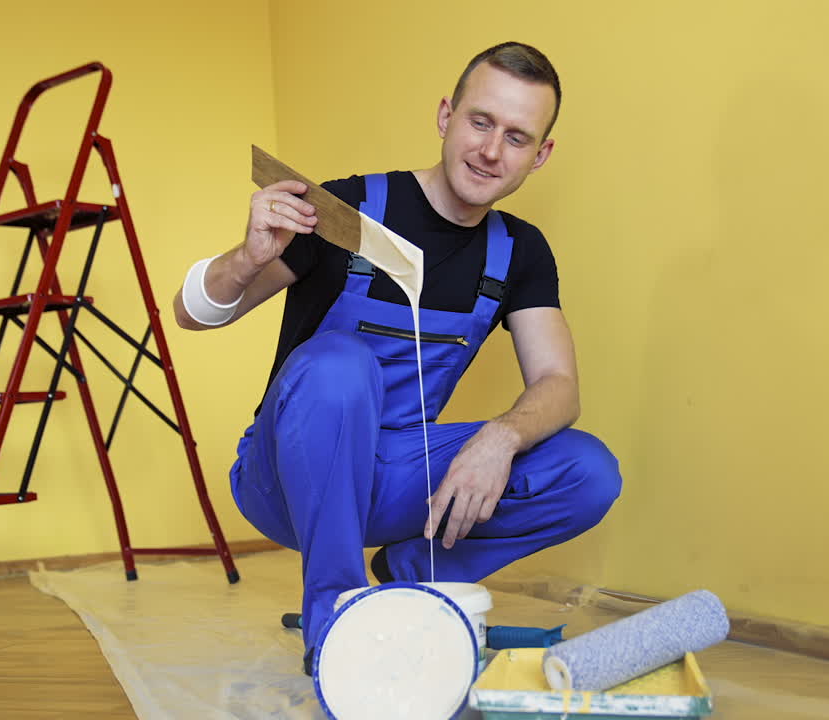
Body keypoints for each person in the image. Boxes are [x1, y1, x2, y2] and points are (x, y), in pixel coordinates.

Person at [174, 42, 622, 675]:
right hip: (285, 478)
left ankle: (410, 574)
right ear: (446, 115)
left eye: (517, 137)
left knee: (586, 470)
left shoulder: (520, 252)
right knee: (338, 364)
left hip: (399, 476)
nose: (491, 151)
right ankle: (334, 619)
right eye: (480, 122)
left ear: (540, 155)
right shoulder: (345, 211)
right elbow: (191, 313)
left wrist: (500, 437)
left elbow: (559, 385)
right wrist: (245, 258)